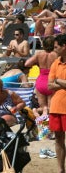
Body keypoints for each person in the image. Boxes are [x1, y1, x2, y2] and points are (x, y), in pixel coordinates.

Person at [47, 34, 66, 173]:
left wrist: (58, 81)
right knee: (58, 140)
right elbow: (49, 85)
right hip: (56, 106)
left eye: (56, 47)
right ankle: (61, 169)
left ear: (64, 46)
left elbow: (54, 82)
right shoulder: (55, 62)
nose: (54, 50)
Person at [26, 36, 58, 117]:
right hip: (52, 82)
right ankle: (50, 127)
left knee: (43, 107)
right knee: (51, 109)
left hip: (41, 81)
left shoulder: (39, 54)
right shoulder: (56, 55)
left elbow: (27, 64)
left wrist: (37, 63)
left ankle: (35, 111)